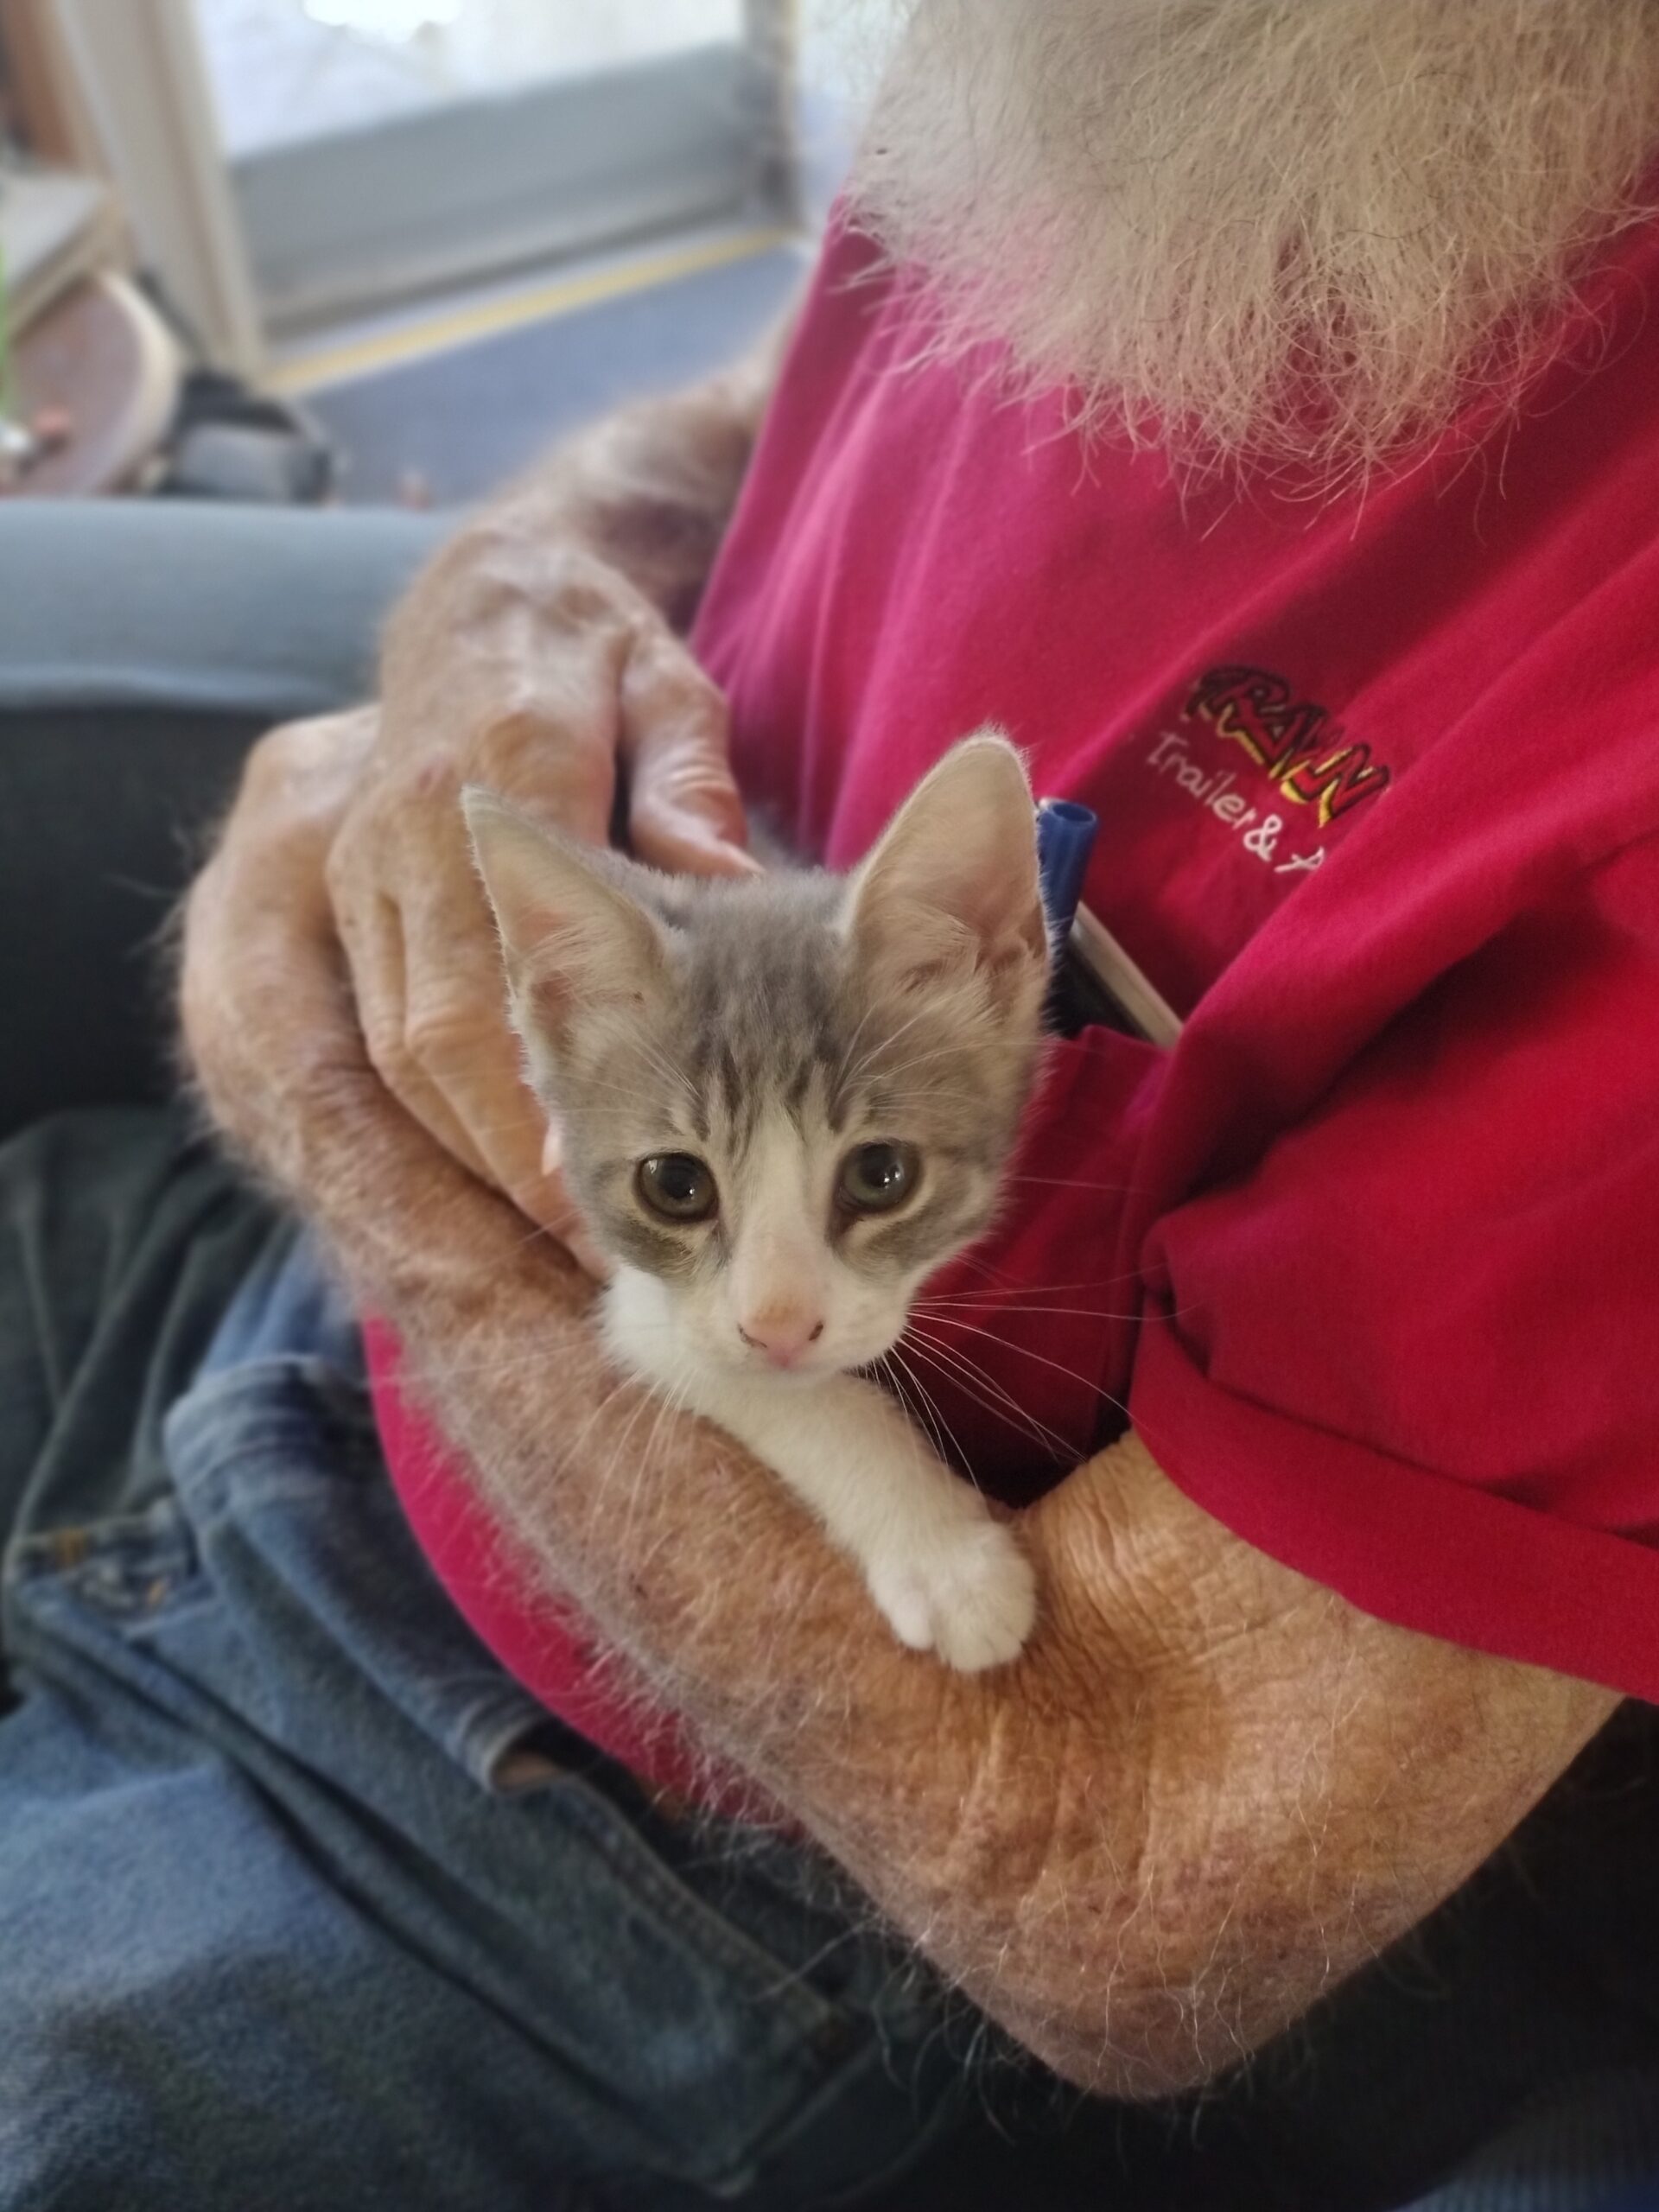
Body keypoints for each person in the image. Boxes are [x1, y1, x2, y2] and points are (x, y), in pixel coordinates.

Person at [9, 2, 1659, 2204]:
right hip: (256, 1326)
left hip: (577, 1830)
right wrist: (519, 571)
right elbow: (768, 398)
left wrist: (326, 1104)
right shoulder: (1110, 62)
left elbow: (1118, 1867)